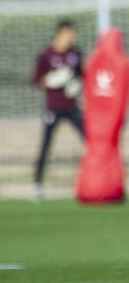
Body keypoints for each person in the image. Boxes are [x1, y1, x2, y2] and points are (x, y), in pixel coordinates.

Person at [32, 19, 84, 199]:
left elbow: (82, 76)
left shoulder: (76, 54)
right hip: (53, 107)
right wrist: (52, 80)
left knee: (92, 142)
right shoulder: (45, 55)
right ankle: (37, 185)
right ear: (61, 33)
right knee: (45, 146)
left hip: (72, 107)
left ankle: (93, 179)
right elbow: (37, 80)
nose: (73, 37)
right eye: (70, 33)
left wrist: (77, 86)